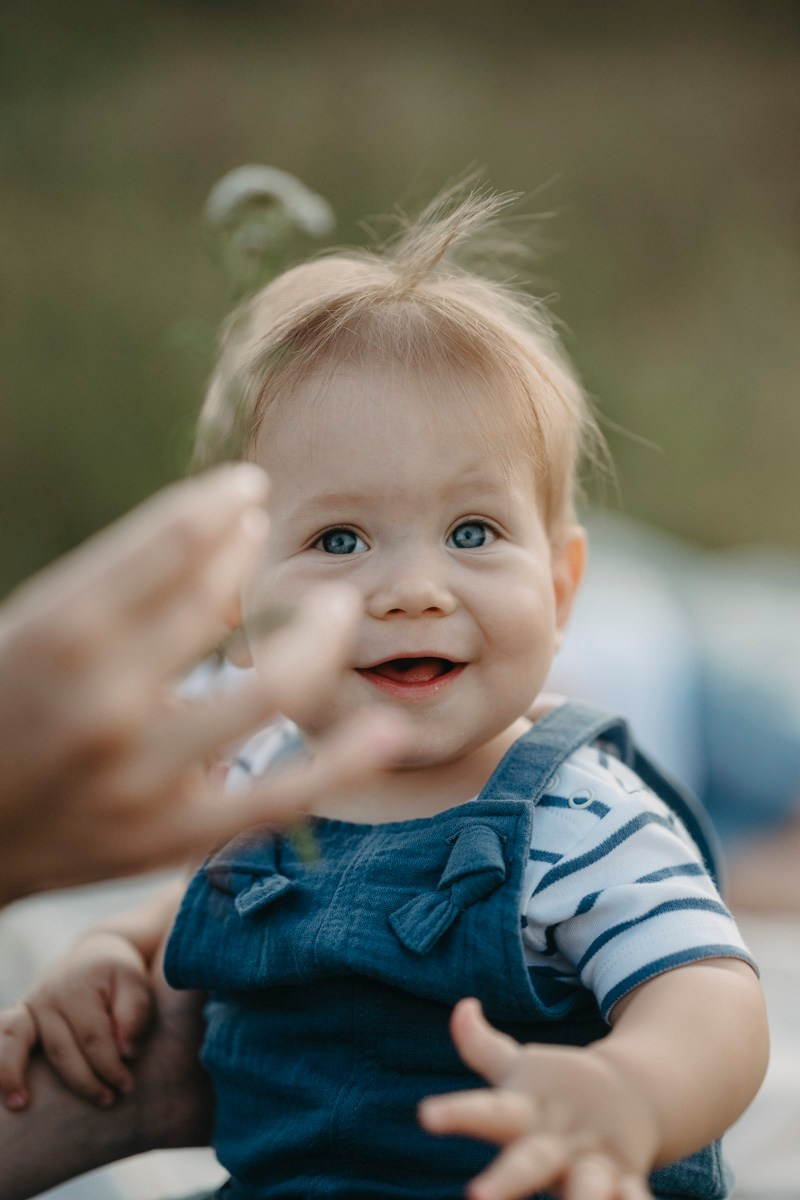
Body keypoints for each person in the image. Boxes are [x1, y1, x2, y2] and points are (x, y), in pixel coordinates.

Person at [0, 187, 768, 1200]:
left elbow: (709, 994)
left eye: (471, 532)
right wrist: (109, 952)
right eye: (339, 540)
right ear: (236, 612)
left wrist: (631, 1092)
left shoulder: (579, 813)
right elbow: (204, 897)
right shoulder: (268, 782)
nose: (412, 589)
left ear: (559, 588)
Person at [0, 462, 406, 906]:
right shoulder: (240, 758)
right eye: (338, 542)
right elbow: (194, 905)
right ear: (236, 596)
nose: (415, 589)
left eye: (462, 535)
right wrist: (121, 939)